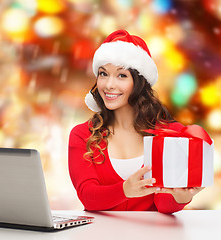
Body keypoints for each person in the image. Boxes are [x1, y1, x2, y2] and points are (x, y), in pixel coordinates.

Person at [68, 29, 203, 213]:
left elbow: (163, 205)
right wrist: (125, 190)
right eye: (103, 74)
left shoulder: (172, 134)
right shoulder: (83, 135)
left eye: (122, 75)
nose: (109, 85)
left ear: (139, 82)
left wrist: (180, 197)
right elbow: (88, 197)